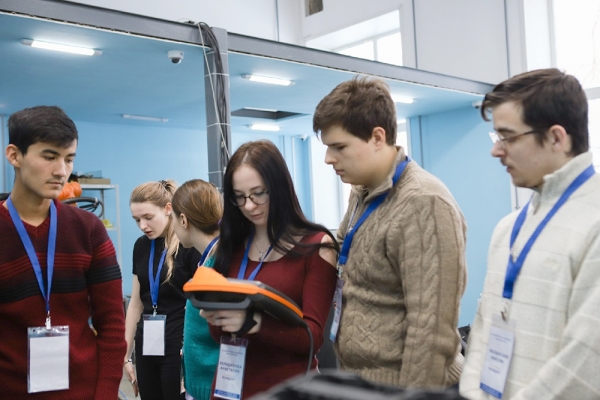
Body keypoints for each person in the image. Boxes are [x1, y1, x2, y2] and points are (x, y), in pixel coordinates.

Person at [313, 77, 467, 388]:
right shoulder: (362, 191)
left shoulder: (424, 203)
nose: (328, 158)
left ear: (377, 137)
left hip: (404, 387)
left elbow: (431, 333)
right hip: (361, 381)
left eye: (339, 147)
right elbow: (344, 257)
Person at [460, 69, 600, 399]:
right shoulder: (508, 229)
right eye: (497, 137)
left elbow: (586, 362)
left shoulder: (594, 223)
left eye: (508, 137)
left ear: (556, 138)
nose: (496, 151)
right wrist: (472, 393)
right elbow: (483, 331)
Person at [0, 105, 126, 398]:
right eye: (49, 157)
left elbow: (112, 322)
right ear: (14, 155)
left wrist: (106, 393)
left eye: (69, 159)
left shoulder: (89, 229)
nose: (61, 171)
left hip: (83, 390)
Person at [200, 140, 339, 399]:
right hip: (229, 388)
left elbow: (313, 338)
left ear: (279, 187)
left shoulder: (316, 246)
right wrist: (216, 317)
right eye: (240, 197)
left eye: (258, 193)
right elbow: (219, 336)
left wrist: (255, 324)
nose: (249, 206)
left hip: (287, 390)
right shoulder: (230, 246)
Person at [125, 180, 199, 400]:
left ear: (168, 209)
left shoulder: (188, 245)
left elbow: (200, 304)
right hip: (147, 344)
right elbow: (136, 303)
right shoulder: (140, 246)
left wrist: (191, 351)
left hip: (179, 345)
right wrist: (125, 355)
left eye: (148, 217)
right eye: (137, 219)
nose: (142, 225)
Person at [171, 179, 223, 400]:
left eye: (172, 219)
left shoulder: (219, 265)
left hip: (215, 387)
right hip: (203, 385)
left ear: (183, 220)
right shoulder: (208, 261)